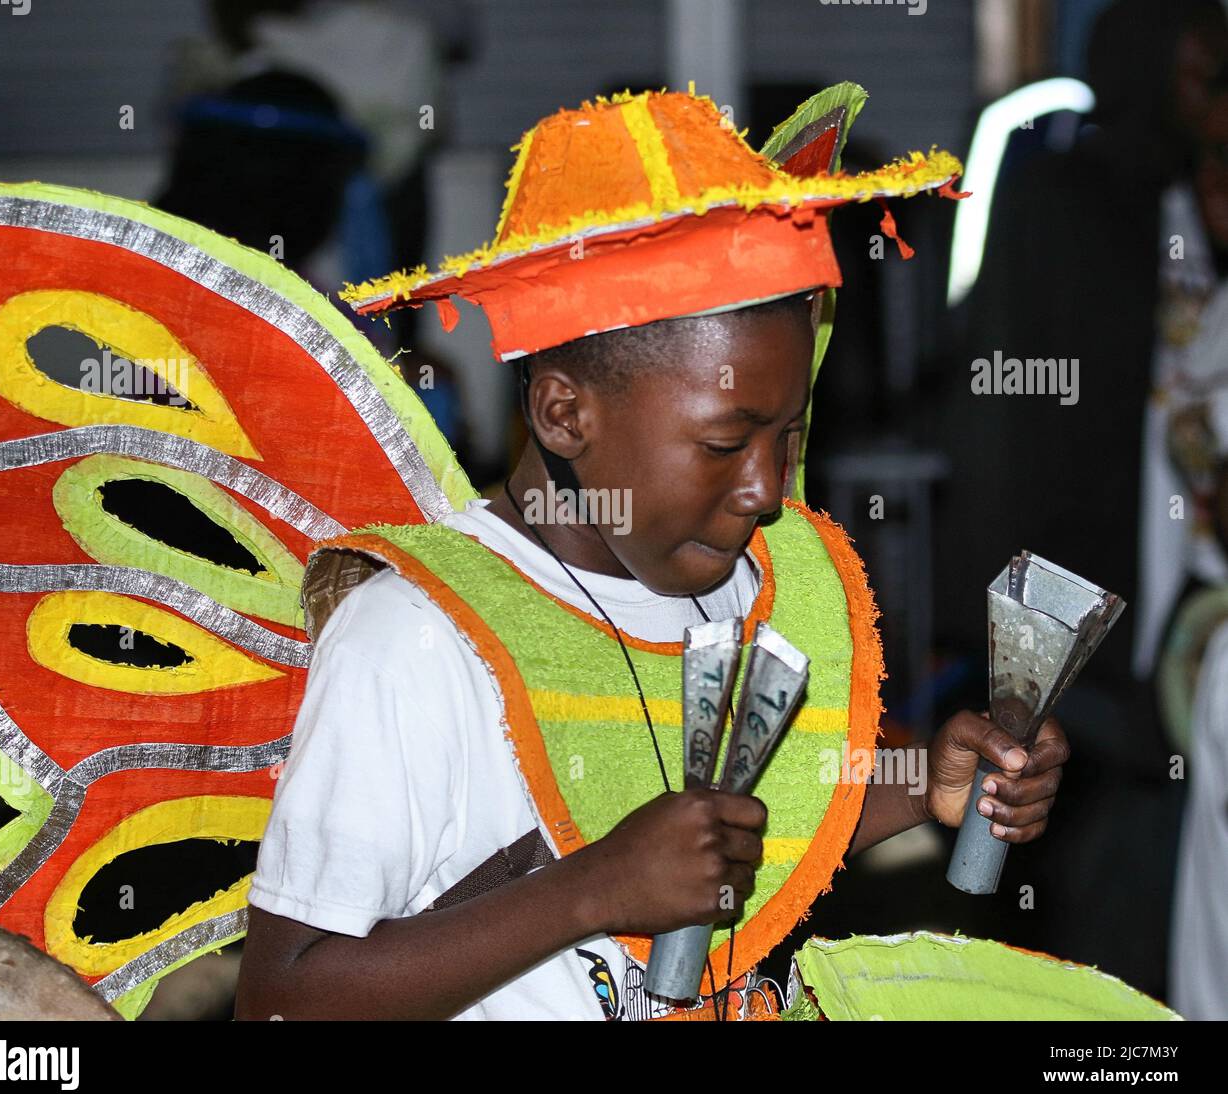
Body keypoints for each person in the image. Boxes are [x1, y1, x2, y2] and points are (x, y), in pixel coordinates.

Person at [235, 87, 1070, 1021]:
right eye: (725, 444)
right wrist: (592, 892)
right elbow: (283, 1000)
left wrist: (921, 789)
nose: (764, 490)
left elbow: (761, 817)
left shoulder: (750, 584)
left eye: (788, 439)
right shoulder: (418, 638)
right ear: (564, 413)